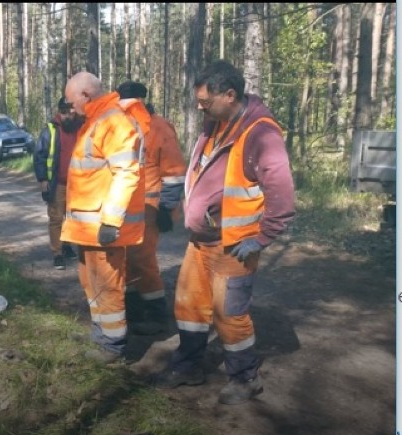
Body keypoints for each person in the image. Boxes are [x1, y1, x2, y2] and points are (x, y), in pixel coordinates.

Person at [152, 60, 295, 405]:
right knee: (189, 305)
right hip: (201, 242)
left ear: (230, 95)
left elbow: (283, 193)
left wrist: (261, 238)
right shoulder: (216, 123)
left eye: (205, 101)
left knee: (229, 314)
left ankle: (246, 378)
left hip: (234, 246)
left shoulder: (261, 133)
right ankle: (188, 367)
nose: (200, 107)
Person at [61, 71, 151, 363]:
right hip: (87, 230)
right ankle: (102, 336)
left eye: (71, 100)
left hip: (102, 229)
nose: (68, 106)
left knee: (108, 286)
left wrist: (111, 222)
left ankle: (113, 347)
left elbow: (126, 173)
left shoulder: (112, 121)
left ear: (85, 95)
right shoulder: (95, 122)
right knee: (92, 282)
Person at [115, 81, 188, 335]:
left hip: (149, 209)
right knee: (125, 260)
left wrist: (167, 208)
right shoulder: (119, 127)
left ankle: (157, 316)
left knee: (143, 260)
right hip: (124, 210)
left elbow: (175, 171)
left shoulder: (158, 127)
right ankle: (134, 312)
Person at [33, 96, 83, 270]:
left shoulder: (82, 128)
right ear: (59, 112)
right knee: (56, 218)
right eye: (64, 113)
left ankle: (68, 245)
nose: (67, 116)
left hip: (78, 184)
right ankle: (57, 253)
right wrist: (43, 180)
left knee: (73, 218)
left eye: (70, 113)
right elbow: (40, 156)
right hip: (57, 183)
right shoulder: (50, 130)